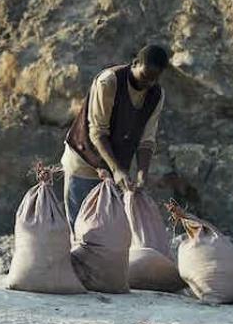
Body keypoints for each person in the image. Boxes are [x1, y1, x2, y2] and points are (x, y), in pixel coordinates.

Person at [61, 45, 168, 232]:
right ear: (135, 63)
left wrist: (142, 174)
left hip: (114, 170)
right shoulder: (109, 82)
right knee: (81, 232)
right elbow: (98, 132)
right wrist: (117, 170)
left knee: (110, 233)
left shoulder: (156, 95)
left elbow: (147, 139)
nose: (148, 84)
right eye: (144, 77)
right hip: (85, 163)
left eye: (154, 80)